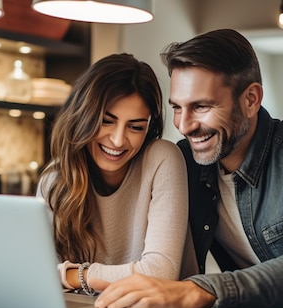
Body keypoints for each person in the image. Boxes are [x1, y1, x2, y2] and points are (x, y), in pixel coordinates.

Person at [92, 29, 283, 308]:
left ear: (250, 99)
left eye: (201, 106)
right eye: (177, 107)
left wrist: (195, 291)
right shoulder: (184, 161)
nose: (184, 125)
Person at [37, 53, 198, 295]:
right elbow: (38, 274)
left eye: (135, 127)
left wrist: (74, 275)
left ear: (149, 127)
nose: (118, 139)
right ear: (83, 117)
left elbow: (160, 273)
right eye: (106, 121)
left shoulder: (162, 158)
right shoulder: (54, 179)